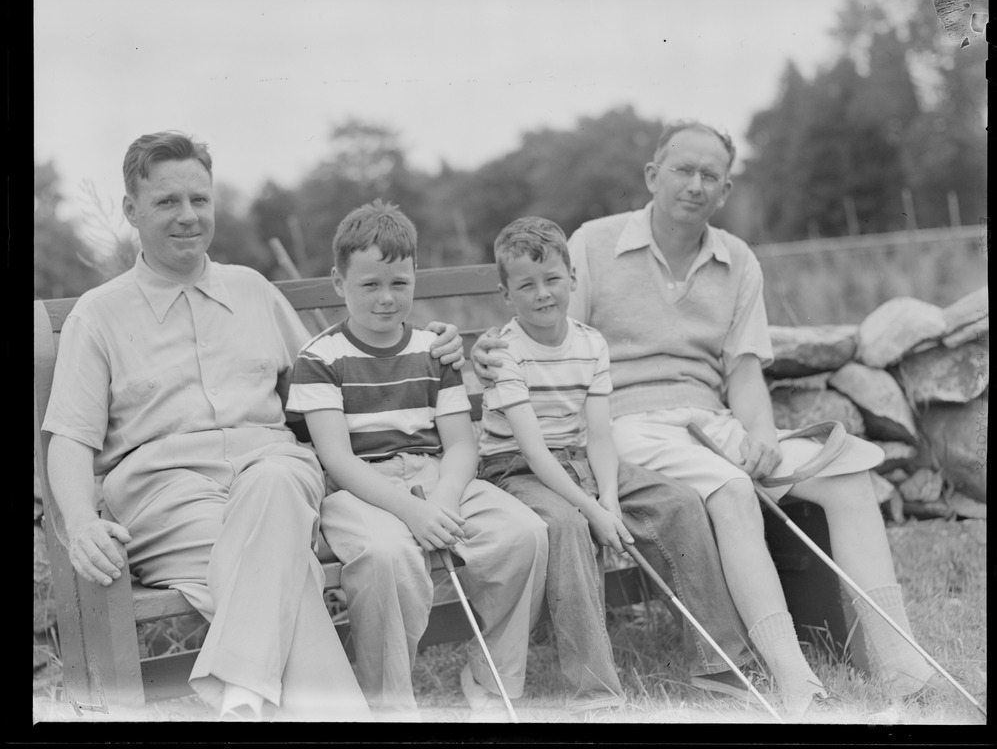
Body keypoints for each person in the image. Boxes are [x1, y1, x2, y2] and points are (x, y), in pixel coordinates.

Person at [476, 119, 937, 719]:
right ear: (652, 176)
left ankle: (902, 669)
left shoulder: (737, 260)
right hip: (625, 422)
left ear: (724, 191)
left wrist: (764, 435)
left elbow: (744, 373)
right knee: (732, 488)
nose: (695, 184)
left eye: (710, 176)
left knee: (846, 477)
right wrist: (491, 347)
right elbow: (551, 332)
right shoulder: (593, 244)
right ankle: (795, 681)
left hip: (712, 420)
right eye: (682, 170)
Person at [41, 131, 465, 722]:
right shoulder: (99, 313)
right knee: (276, 565)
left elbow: (336, 369)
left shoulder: (253, 291)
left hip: (279, 477)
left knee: (272, 485)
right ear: (131, 211)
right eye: (167, 202)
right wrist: (83, 521)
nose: (188, 216)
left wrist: (437, 346)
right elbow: (68, 437)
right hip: (170, 497)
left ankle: (244, 694)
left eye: (200, 199)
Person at [476, 216, 757, 714]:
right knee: (567, 524)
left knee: (679, 501)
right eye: (526, 285)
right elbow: (534, 450)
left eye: (553, 280)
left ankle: (721, 665)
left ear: (573, 280)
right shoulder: (505, 354)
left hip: (582, 458)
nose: (543, 294)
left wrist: (608, 497)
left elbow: (601, 435)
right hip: (515, 466)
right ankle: (597, 692)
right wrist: (592, 510)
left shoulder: (590, 343)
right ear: (506, 293)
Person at [286, 200, 549, 722]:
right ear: (340, 283)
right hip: (361, 489)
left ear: (414, 279)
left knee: (525, 534)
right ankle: (391, 702)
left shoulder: (434, 351)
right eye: (370, 286)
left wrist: (445, 500)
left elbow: (459, 445)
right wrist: (413, 513)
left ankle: (492, 679)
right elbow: (337, 459)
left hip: (437, 477)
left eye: (399, 284)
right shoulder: (320, 360)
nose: (387, 299)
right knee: (386, 556)